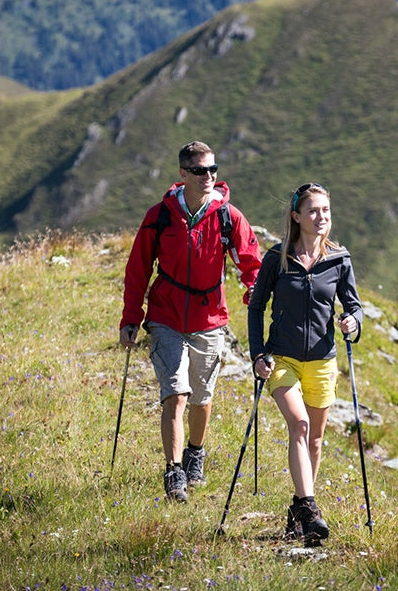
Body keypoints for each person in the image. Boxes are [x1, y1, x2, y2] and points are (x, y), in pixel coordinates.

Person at [120, 141, 262, 502]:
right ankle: (174, 471)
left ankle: (195, 452)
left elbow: (250, 261)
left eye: (212, 169)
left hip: (209, 320)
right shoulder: (160, 216)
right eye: (200, 170)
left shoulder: (229, 217)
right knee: (176, 393)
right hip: (165, 317)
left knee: (201, 397)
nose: (208, 176)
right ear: (183, 173)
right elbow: (138, 270)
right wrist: (131, 318)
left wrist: (254, 291)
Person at [247, 182, 363, 543]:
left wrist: (353, 322)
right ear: (297, 216)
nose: (321, 217)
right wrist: (257, 353)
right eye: (313, 211)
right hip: (282, 358)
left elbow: (354, 305)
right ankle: (311, 508)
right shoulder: (277, 258)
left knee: (315, 440)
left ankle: (298, 510)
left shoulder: (339, 259)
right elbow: (256, 307)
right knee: (298, 424)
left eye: (325, 210)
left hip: (322, 362)